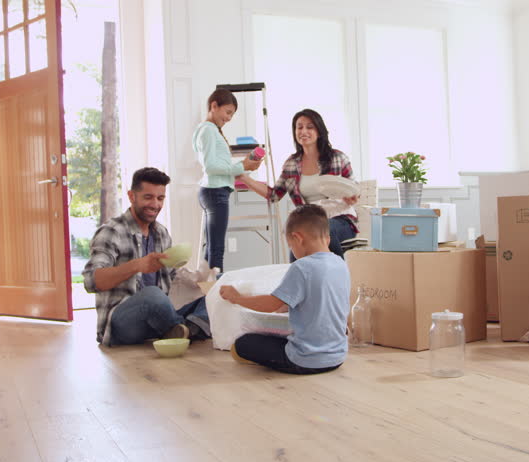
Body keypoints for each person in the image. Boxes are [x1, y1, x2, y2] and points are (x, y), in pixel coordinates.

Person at [83, 167, 209, 346]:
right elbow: (91, 281)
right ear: (131, 196)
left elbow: (173, 278)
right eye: (148, 197)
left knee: (217, 292)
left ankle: (182, 329)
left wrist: (201, 279)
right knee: (153, 296)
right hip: (121, 324)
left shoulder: (161, 233)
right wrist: (137, 265)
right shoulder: (111, 231)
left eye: (160, 198)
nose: (155, 204)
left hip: (155, 321)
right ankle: (190, 328)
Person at [219, 204, 349, 374]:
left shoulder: (302, 267)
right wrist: (287, 304)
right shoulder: (341, 264)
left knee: (242, 343)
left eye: (290, 245)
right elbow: (321, 299)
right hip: (337, 357)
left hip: (306, 360)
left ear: (298, 238)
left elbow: (269, 305)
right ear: (328, 238)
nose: (292, 250)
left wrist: (236, 297)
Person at [236, 109, 358, 260]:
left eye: (309, 127)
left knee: (325, 232)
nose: (303, 131)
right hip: (310, 221)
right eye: (299, 127)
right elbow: (274, 195)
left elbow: (354, 189)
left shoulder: (337, 157)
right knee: (296, 242)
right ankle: (299, 280)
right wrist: (242, 176)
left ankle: (338, 276)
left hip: (340, 219)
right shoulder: (291, 164)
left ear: (319, 131)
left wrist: (351, 197)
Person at [193, 88, 262, 272]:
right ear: (214, 106)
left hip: (215, 190)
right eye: (228, 112)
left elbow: (217, 164)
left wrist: (243, 165)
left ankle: (207, 292)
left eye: (232, 114)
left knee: (212, 248)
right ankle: (214, 293)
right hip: (215, 191)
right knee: (217, 249)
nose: (229, 118)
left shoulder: (210, 130)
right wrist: (242, 167)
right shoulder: (208, 131)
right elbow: (211, 167)